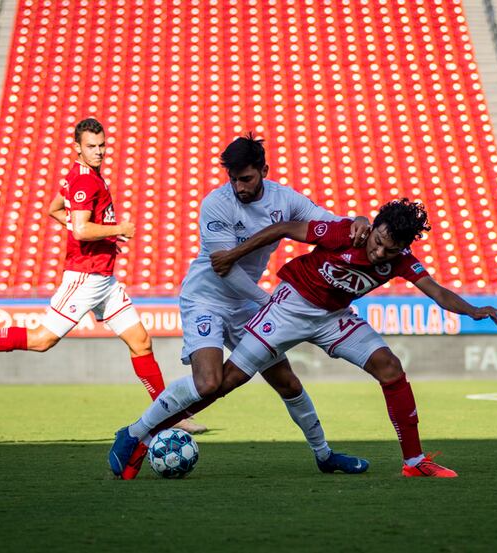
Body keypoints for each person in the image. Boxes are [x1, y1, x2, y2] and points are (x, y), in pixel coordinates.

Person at [112, 198, 497, 478]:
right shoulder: (344, 234)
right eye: (378, 240)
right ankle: (140, 431)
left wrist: (473, 310)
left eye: (390, 248)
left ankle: (414, 461)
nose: (379, 250)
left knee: (390, 368)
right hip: (288, 308)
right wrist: (233, 254)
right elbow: (285, 228)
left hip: (334, 317)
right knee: (224, 382)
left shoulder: (400, 260)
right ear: (375, 227)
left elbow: (437, 291)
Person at [110, 133, 372, 478]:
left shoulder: (284, 199)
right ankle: (133, 433)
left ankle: (324, 455)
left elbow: (327, 223)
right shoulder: (216, 204)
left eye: (246, 179)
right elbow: (225, 269)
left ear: (263, 170)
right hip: (206, 299)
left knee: (288, 383)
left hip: (246, 305)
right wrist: (269, 301)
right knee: (207, 383)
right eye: (232, 179)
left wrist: (359, 221)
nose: (239, 187)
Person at [0, 118, 203, 434]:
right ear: (78, 148)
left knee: (141, 341)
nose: (99, 151)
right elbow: (80, 228)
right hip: (84, 278)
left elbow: (54, 209)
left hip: (104, 280)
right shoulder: (86, 182)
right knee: (42, 339)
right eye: (92, 146)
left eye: (102, 145)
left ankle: (168, 416)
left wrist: (94, 233)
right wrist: (119, 229)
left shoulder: (81, 176)